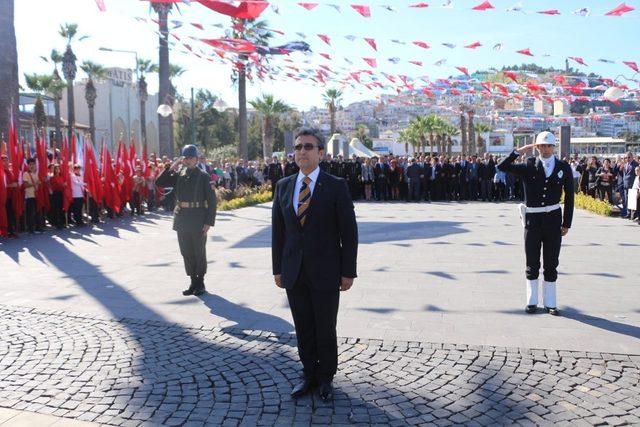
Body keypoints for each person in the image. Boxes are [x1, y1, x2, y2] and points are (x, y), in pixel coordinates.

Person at [271, 128, 358, 402]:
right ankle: (308, 373)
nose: (302, 151)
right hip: (294, 271)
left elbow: (349, 232)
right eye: (297, 147)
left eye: (308, 146)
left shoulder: (336, 186)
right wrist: (277, 268)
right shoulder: (284, 186)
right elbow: (278, 232)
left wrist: (348, 271)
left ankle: (325, 378)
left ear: (321, 153)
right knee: (303, 326)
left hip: (326, 271)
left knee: (324, 326)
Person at [497, 131, 574, 316]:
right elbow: (502, 166)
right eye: (542, 146)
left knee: (551, 262)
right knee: (532, 262)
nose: (546, 150)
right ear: (537, 147)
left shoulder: (564, 167)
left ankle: (550, 303)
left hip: (553, 221)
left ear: (553, 147)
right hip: (532, 221)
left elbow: (570, 197)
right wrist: (518, 152)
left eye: (549, 146)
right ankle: (532, 301)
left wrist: (567, 223)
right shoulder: (528, 166)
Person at [156, 145, 217, 297]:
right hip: (182, 219)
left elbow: (212, 202)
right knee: (186, 252)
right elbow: (159, 182)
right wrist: (173, 165)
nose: (188, 160)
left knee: (199, 252)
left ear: (197, 159)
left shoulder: (204, 177)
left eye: (191, 158)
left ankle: (200, 282)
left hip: (198, 219)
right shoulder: (179, 174)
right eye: (185, 158)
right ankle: (192, 281)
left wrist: (208, 222)